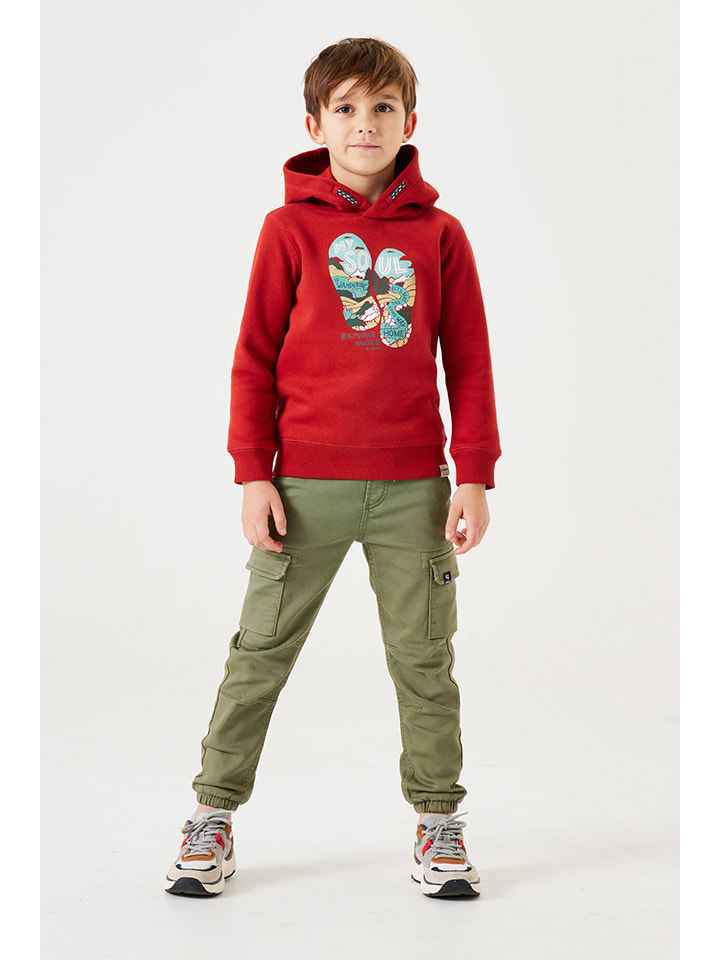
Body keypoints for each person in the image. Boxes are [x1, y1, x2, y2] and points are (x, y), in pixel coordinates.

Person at [165, 36, 501, 900]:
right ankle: (211, 814)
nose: (365, 124)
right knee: (259, 653)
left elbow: (468, 362)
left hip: (414, 492)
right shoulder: (288, 231)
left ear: (410, 122)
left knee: (424, 660)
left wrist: (472, 473)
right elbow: (253, 358)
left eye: (383, 107)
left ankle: (439, 822)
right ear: (315, 125)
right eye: (346, 108)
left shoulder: (441, 236)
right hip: (303, 490)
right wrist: (254, 472)